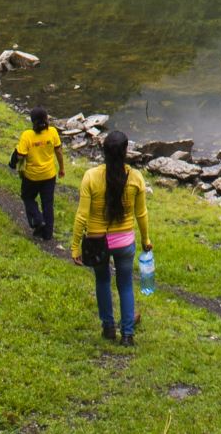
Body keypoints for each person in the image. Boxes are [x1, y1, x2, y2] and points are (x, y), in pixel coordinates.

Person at [71, 129, 151, 345]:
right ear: (125, 152)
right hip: (125, 242)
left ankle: (108, 327)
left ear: (103, 151)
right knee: (125, 284)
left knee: (102, 280)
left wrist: (75, 246)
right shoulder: (135, 178)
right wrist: (145, 239)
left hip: (97, 241)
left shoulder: (91, 176)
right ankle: (127, 335)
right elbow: (141, 214)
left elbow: (82, 215)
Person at [10, 107, 64, 240]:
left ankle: (38, 220)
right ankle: (48, 234)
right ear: (46, 119)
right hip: (49, 175)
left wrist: (17, 168)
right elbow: (59, 152)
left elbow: (21, 155)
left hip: (31, 176)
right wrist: (62, 168)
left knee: (28, 198)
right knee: (48, 203)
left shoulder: (27, 135)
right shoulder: (52, 132)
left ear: (32, 121)